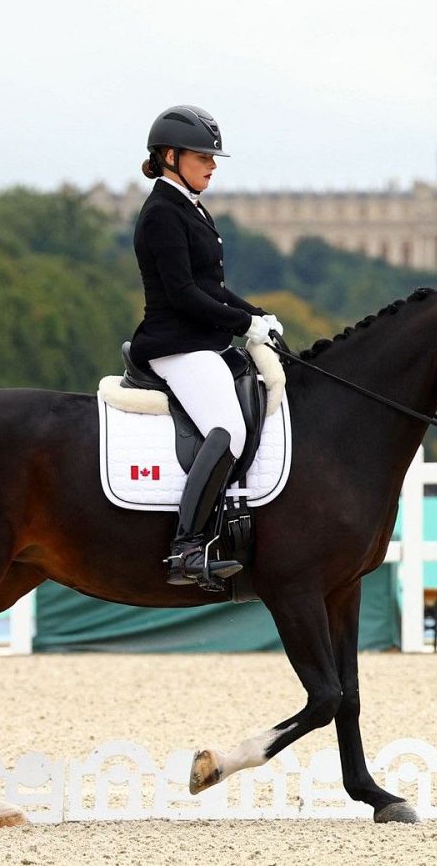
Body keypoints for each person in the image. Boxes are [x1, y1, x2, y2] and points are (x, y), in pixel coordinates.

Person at [130, 105, 281, 589]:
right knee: (229, 429)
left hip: (202, 343)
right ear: (170, 156)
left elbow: (212, 286)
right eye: (202, 157)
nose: (212, 165)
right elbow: (184, 295)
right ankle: (188, 547)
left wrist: (256, 316)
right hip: (176, 346)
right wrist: (242, 324)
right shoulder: (161, 214)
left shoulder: (190, 205)